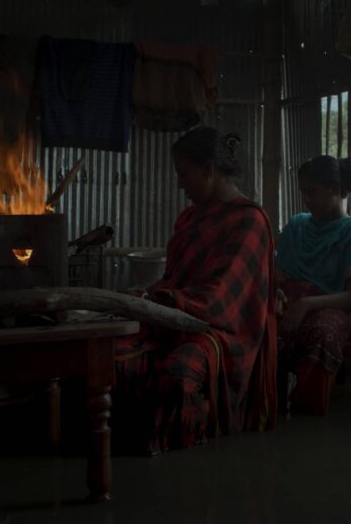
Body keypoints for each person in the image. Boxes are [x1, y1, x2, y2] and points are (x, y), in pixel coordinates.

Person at [114, 126, 277, 455]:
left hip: (221, 329)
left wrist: (163, 300)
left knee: (180, 370)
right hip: (177, 315)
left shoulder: (250, 220)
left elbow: (219, 298)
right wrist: (147, 297)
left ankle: (174, 442)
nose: (179, 183)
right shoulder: (189, 217)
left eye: (184, 174)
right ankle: (117, 437)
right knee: (113, 351)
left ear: (209, 169)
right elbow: (173, 278)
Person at [275, 156, 351, 415]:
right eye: (303, 192)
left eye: (311, 192)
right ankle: (263, 402)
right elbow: (276, 273)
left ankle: (305, 408)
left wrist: (305, 304)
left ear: (335, 190)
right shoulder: (297, 226)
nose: (306, 199)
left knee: (323, 333)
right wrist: (276, 292)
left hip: (328, 306)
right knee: (254, 317)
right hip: (286, 301)